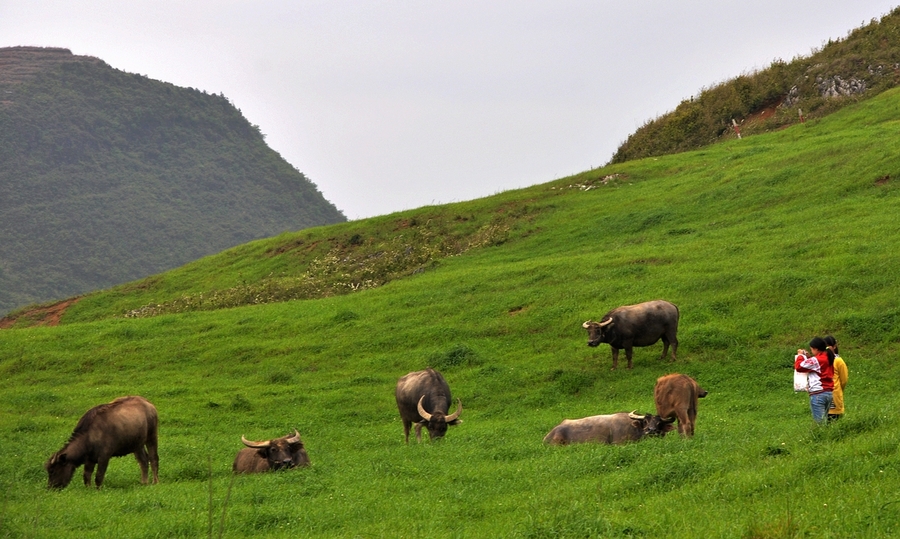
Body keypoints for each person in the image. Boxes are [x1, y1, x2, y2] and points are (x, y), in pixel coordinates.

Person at [794, 336, 834, 424]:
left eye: (811, 349)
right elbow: (816, 365)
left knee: (820, 424)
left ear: (816, 349)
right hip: (828, 393)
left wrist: (800, 355)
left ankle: (822, 437)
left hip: (818, 394)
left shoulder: (817, 360)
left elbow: (799, 367)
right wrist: (809, 357)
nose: (811, 351)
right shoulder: (828, 357)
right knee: (825, 421)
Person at [824, 335, 848, 421]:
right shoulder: (822, 360)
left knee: (834, 419)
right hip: (823, 394)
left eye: (828, 346)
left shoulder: (838, 361)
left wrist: (838, 389)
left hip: (835, 394)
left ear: (834, 346)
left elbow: (844, 380)